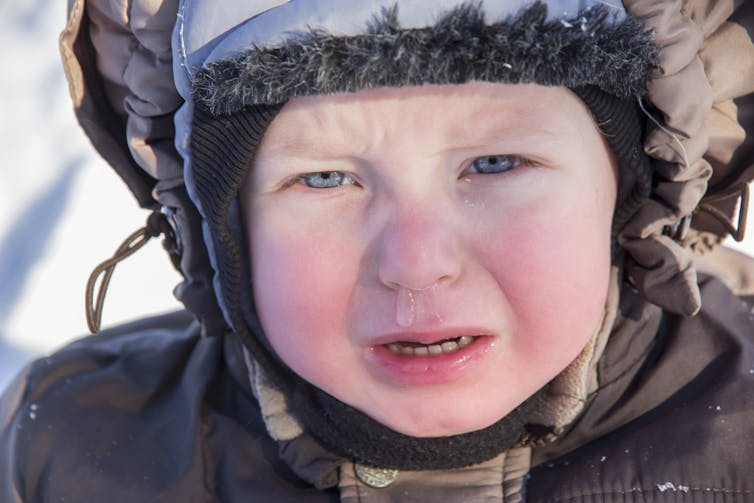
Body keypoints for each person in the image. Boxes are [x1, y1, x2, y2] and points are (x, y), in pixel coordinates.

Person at [2, 0, 754, 500]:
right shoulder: (68, 451)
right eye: (324, 177)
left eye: (494, 164)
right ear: (218, 224)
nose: (416, 260)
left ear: (636, 186)